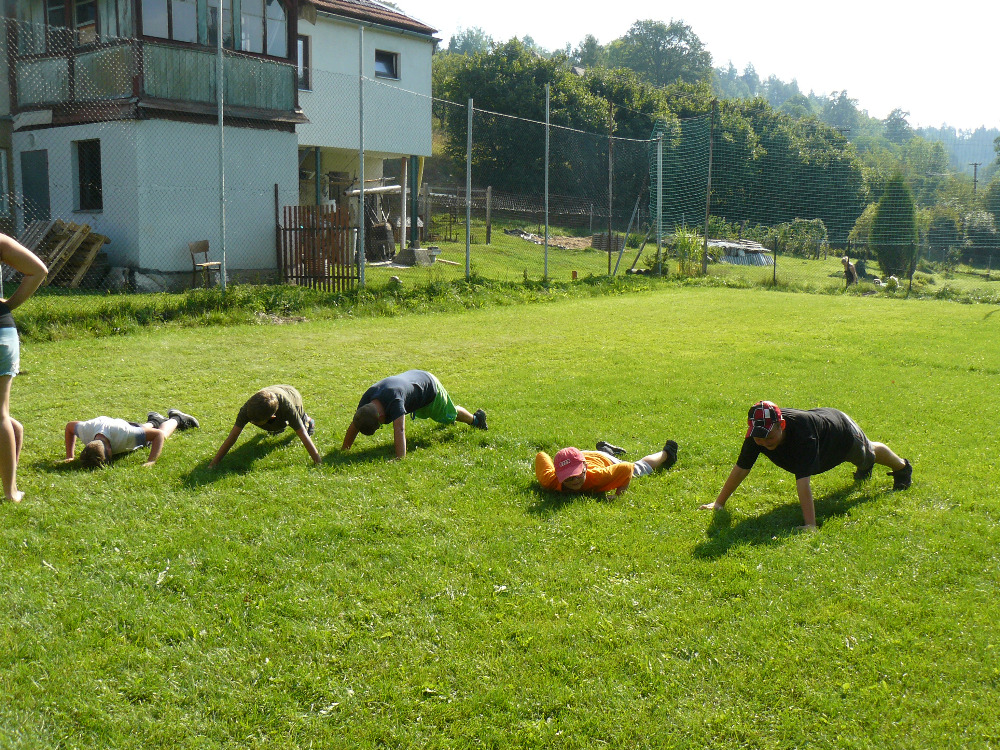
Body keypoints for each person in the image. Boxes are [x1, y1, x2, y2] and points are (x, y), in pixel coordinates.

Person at [700, 400, 912, 529]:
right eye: (759, 438)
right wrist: (718, 504)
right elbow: (741, 468)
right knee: (864, 461)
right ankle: (865, 469)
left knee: (868, 453)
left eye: (769, 437)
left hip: (841, 434)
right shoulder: (757, 434)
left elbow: (803, 482)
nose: (764, 442)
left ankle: (902, 468)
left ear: (782, 425)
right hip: (822, 431)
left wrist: (810, 525)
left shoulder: (803, 434)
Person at [342, 369, 486, 459]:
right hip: (414, 384)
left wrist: (400, 458)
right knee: (443, 417)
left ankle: (476, 419)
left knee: (449, 415)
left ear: (380, 417)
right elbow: (356, 423)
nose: (382, 425)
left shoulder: (395, 400)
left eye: (380, 425)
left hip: (429, 389)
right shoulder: (368, 399)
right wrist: (344, 450)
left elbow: (400, 429)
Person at [0, 234, 48, 502]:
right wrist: (8, 305)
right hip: (2, 330)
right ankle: (11, 491)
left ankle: (10, 490)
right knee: (2, 416)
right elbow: (38, 270)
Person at [210, 385, 320, 467]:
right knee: (275, 427)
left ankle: (308, 420)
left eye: (255, 422)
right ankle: (277, 427)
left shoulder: (288, 408)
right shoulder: (247, 410)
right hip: (272, 395)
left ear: (272, 417)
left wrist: (318, 463)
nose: (252, 422)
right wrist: (213, 464)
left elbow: (303, 435)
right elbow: (232, 436)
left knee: (298, 423)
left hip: (292, 396)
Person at [535, 439, 678, 496]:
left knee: (639, 469)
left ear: (585, 467)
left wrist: (618, 495)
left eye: (577, 474)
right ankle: (606, 449)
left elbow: (627, 468)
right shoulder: (550, 479)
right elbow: (541, 455)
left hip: (604, 460)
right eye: (568, 478)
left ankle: (667, 453)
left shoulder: (599, 476)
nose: (574, 481)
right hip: (583, 456)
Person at [64, 409, 199, 468]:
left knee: (162, 434)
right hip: (125, 426)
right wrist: (70, 456)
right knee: (140, 430)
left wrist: (151, 461)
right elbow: (70, 426)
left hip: (125, 428)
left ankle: (177, 417)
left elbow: (157, 435)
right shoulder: (85, 430)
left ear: (110, 449)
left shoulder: (125, 436)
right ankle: (155, 420)